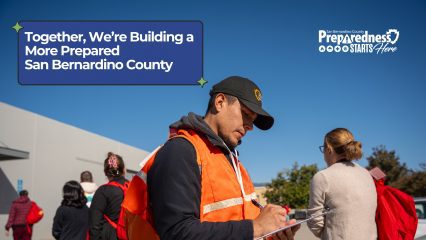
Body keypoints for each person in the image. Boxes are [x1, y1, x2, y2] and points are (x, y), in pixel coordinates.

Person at [123, 76, 299, 240]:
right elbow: (176, 232)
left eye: (252, 120)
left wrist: (269, 234)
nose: (250, 126)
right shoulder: (181, 151)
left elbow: (238, 221)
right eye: (246, 114)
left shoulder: (232, 163)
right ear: (220, 102)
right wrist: (255, 228)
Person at [307, 128, 377, 239]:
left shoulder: (323, 177)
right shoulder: (366, 174)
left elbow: (314, 221)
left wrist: (330, 235)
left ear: (329, 149)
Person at [89, 152, 128, 240]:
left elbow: (94, 224)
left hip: (110, 235)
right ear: (123, 170)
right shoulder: (132, 188)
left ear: (105, 172)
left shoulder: (103, 191)